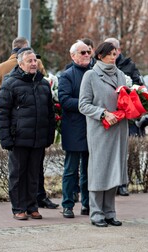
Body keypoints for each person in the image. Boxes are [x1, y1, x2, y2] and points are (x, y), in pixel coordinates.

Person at [0, 36, 58, 210]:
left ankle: (32, 207)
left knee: (33, 175)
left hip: (37, 140)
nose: (33, 63)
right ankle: (19, 208)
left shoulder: (43, 84)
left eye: (35, 60)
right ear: (20, 64)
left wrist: (49, 135)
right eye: (29, 61)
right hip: (18, 139)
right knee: (18, 176)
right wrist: (5, 138)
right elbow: (2, 113)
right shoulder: (10, 83)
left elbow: (49, 113)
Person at [79, 42, 128, 227]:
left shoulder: (121, 74)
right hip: (101, 129)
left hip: (119, 128)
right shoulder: (91, 75)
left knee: (115, 169)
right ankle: (96, 212)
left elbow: (124, 98)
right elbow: (83, 104)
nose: (114, 57)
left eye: (115, 53)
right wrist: (102, 113)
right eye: (110, 54)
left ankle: (110, 212)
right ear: (100, 56)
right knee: (99, 170)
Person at [104, 37, 144, 196]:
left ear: (118, 51)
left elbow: (139, 87)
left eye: (113, 51)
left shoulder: (129, 66)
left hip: (125, 116)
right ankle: (108, 184)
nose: (111, 54)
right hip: (107, 115)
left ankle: (122, 183)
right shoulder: (99, 66)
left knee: (123, 152)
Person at [58, 41, 92, 218]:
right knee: (71, 170)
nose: (87, 55)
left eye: (88, 52)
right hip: (73, 128)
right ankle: (67, 205)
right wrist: (87, 105)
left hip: (92, 128)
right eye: (83, 52)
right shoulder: (67, 75)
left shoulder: (94, 73)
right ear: (73, 56)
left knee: (89, 170)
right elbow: (64, 100)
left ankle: (87, 205)